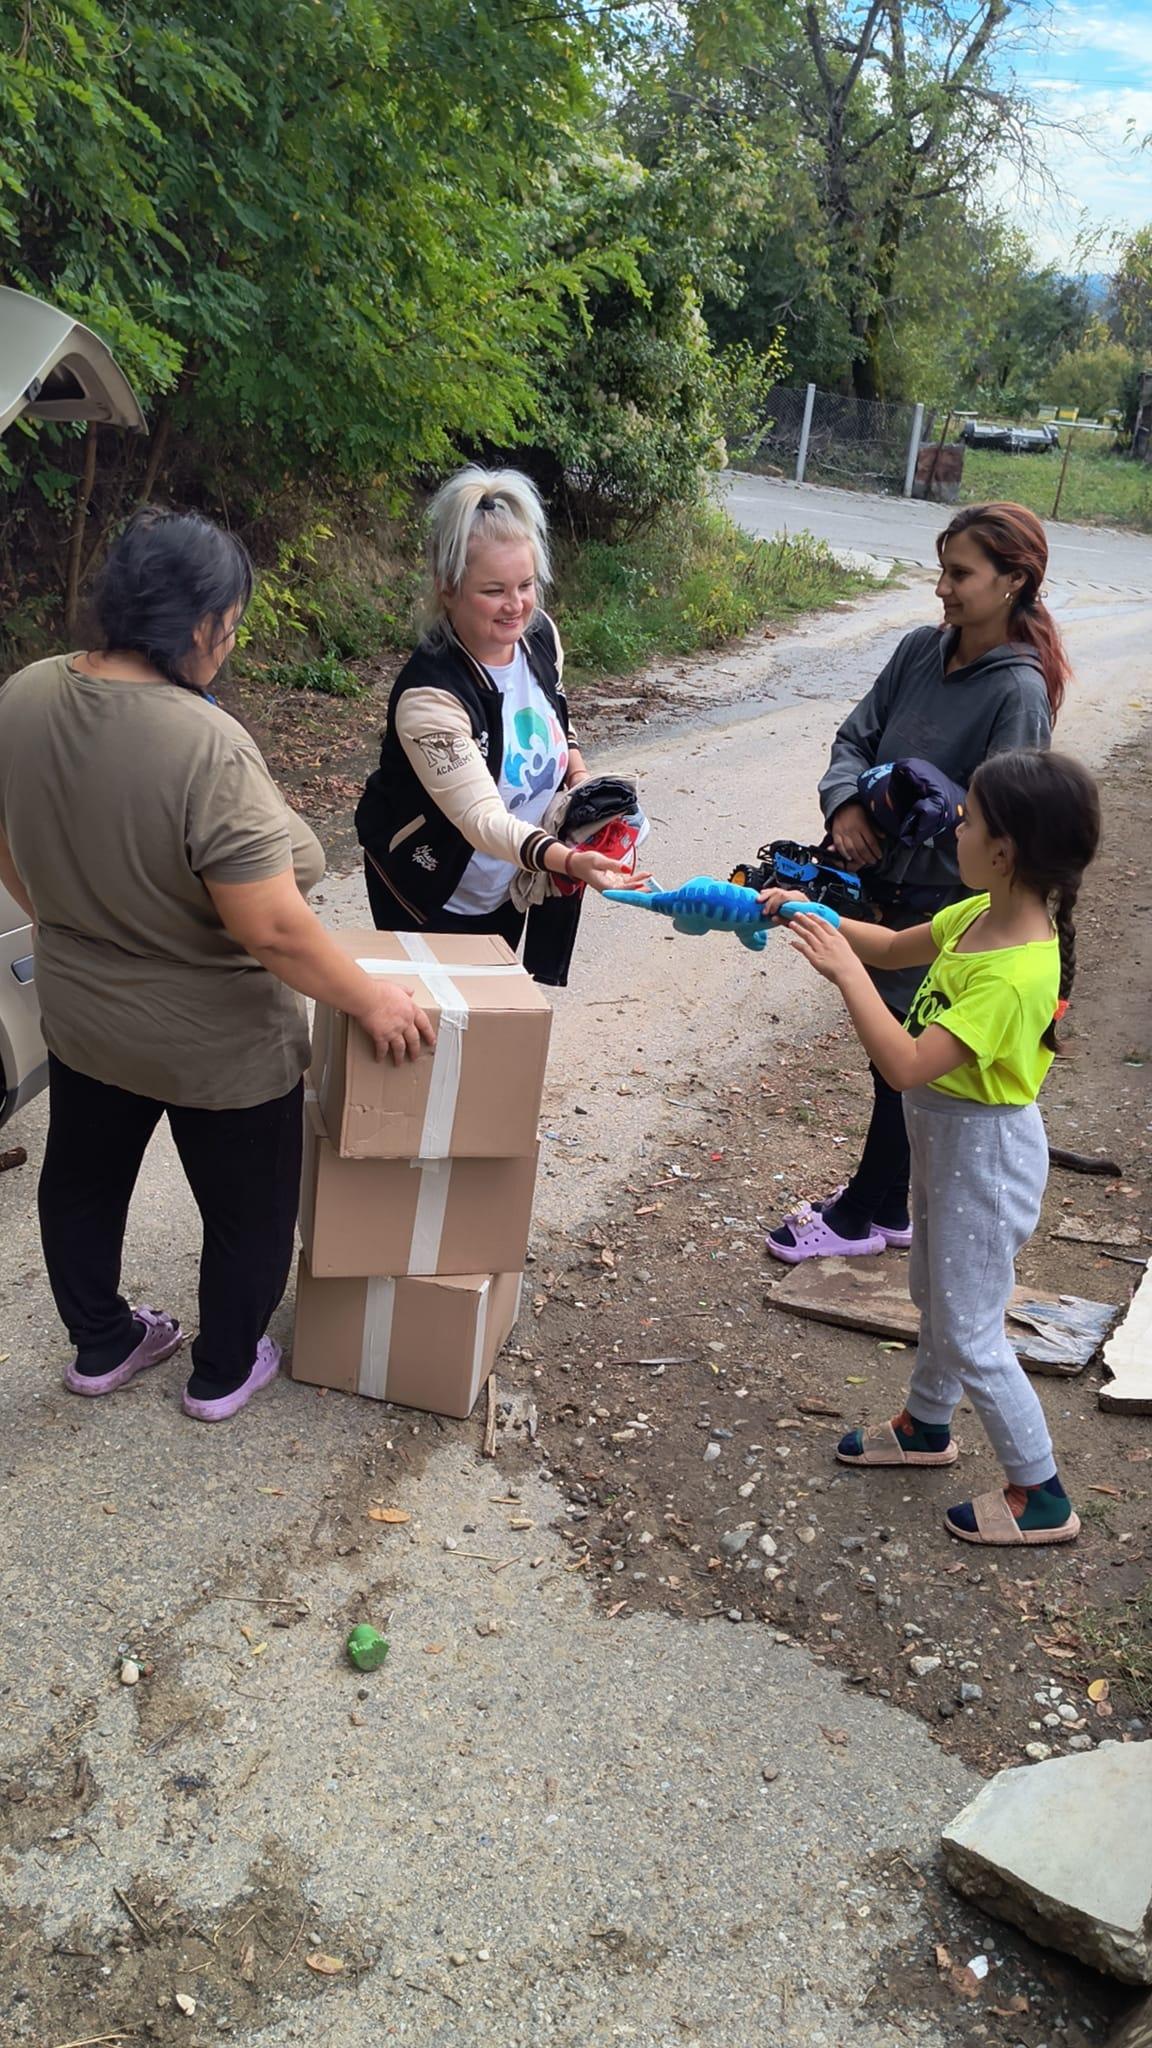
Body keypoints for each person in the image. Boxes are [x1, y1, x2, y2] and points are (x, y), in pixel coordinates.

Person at [0, 508, 434, 1422]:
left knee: (81, 1180)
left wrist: (66, 920)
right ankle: (223, 1369)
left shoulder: (26, 693)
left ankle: (102, 1345)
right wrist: (371, 1000)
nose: (228, 647)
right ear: (197, 628)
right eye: (229, 628)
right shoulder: (205, 744)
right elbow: (272, 928)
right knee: (246, 1209)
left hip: (82, 1017)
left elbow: (8, 842)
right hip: (217, 1043)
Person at [762, 749, 1101, 1547]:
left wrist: (842, 974)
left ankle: (1040, 1490)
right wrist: (810, 914)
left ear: (1006, 850)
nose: (956, 821)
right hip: (947, 1150)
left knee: (971, 1328)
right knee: (934, 1292)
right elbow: (884, 947)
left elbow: (905, 1061)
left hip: (984, 1163)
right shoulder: (977, 916)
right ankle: (925, 1426)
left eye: (971, 815)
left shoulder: (1014, 972)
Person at [767, 501, 1069, 1263]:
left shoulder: (1019, 694)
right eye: (942, 568)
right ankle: (888, 1200)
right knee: (888, 1059)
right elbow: (853, 737)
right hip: (877, 895)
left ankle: (874, 1210)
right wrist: (847, 812)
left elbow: (1009, 825)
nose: (942, 587)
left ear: (1013, 581)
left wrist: (928, 833)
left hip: (947, 907)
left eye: (960, 573)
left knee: (904, 1059)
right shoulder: (915, 653)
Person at [355, 466, 642, 979]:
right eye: (494, 591)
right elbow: (481, 820)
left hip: (509, 880)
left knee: (492, 1023)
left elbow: (556, 719)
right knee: (433, 1035)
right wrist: (570, 862)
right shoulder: (430, 698)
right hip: (432, 888)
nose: (517, 607)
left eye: (527, 585)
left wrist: (584, 788)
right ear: (448, 589)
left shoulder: (538, 636)